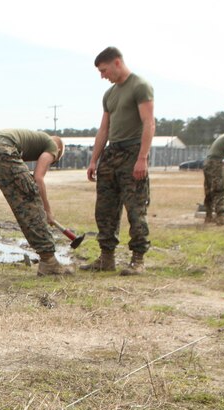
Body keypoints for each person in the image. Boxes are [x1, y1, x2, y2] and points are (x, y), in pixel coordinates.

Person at [84, 46, 155, 276]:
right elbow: (104, 129)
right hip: (111, 154)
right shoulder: (110, 94)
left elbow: (148, 123)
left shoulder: (140, 86)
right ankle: (106, 259)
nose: (102, 76)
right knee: (104, 209)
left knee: (135, 208)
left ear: (117, 62)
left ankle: (137, 259)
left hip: (133, 152)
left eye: (104, 70)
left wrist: (142, 158)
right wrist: (94, 160)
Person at [0, 129, 71, 275]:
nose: (51, 161)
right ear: (58, 150)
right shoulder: (52, 146)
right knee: (29, 200)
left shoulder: (33, 140)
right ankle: (49, 261)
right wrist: (47, 210)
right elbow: (38, 178)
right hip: (1, 149)